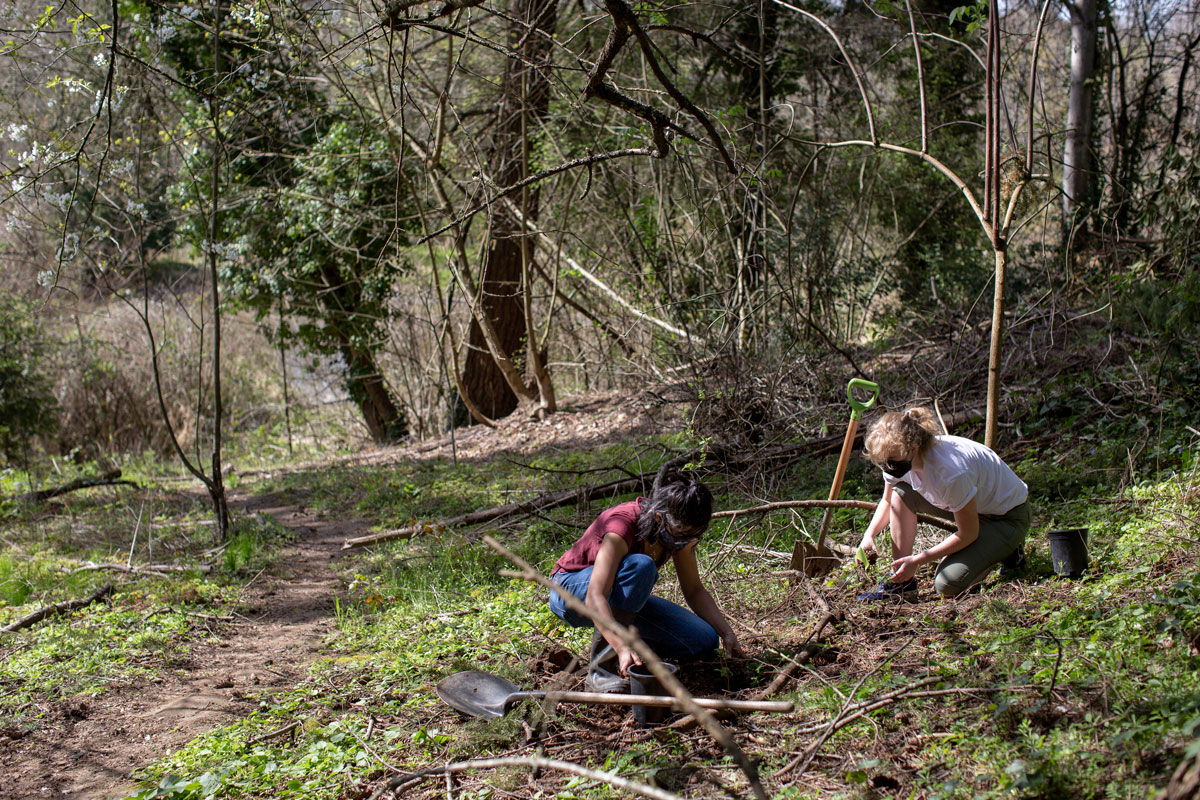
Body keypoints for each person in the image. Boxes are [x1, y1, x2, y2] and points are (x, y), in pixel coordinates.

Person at [548, 474, 745, 693]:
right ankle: (600, 672)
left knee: (703, 640)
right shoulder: (622, 525)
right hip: (570, 592)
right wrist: (620, 646)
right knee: (641, 566)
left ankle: (638, 653)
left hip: (617, 599)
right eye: (681, 533)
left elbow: (694, 590)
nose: (684, 541)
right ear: (660, 518)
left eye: (692, 536)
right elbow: (595, 596)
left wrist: (726, 632)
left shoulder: (680, 534)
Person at [856, 407, 1031, 600]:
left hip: (1007, 518)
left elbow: (968, 533)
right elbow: (888, 500)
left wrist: (919, 559)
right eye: (883, 462)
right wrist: (869, 535)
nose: (888, 468)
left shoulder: (950, 471)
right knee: (901, 493)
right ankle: (901, 583)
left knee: (947, 584)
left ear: (914, 447)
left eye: (892, 462)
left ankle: (1008, 551)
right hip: (976, 509)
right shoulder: (897, 460)